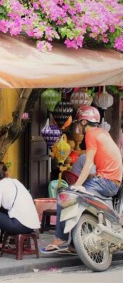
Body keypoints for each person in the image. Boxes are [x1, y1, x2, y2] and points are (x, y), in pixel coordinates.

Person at [44, 106, 122, 252]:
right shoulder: (103, 133)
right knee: (79, 201)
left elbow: (88, 163)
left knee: (65, 196)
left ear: (84, 122)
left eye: (79, 123)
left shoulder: (91, 134)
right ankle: (75, 244)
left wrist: (77, 185)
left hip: (104, 182)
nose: (77, 127)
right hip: (113, 183)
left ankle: (59, 238)